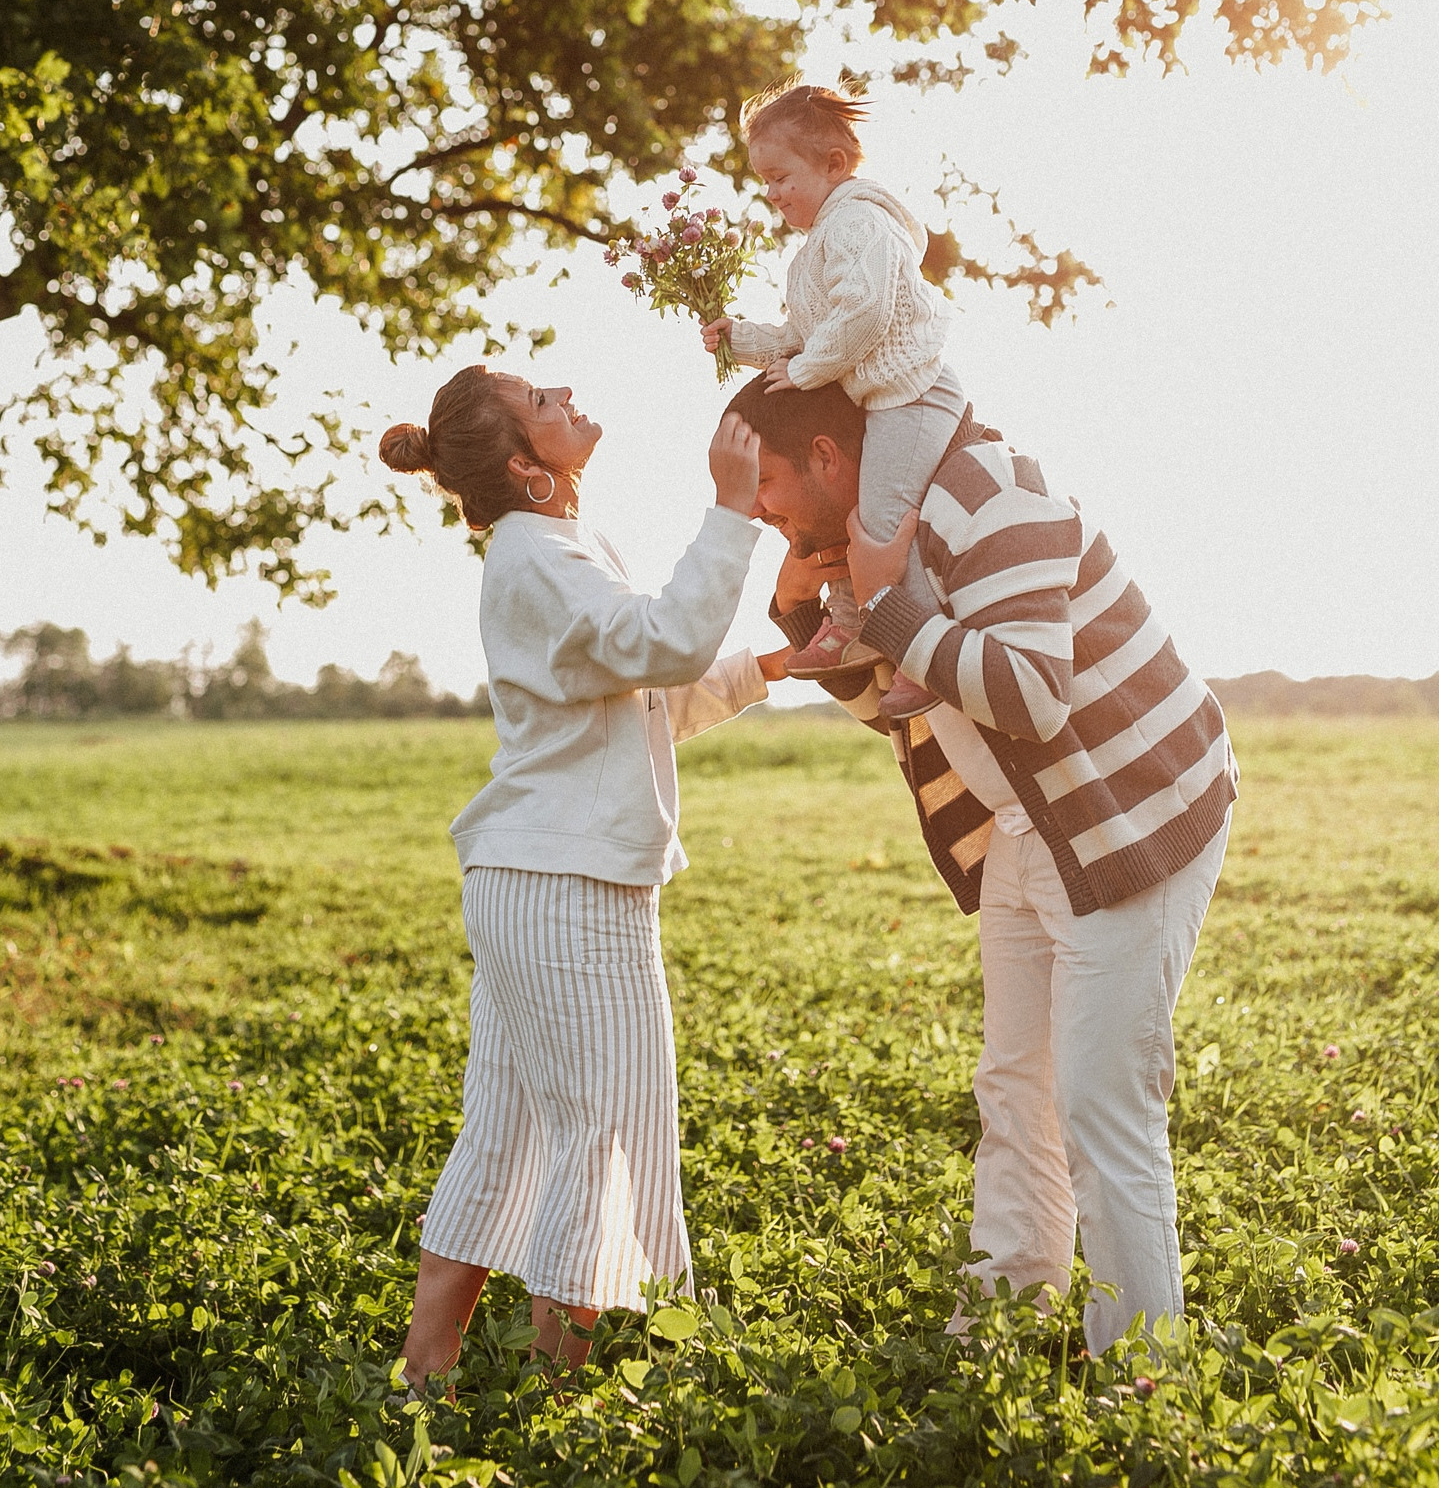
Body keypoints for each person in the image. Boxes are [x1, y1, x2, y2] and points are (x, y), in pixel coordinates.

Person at [728, 374, 1237, 1358]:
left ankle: (1140, 1372)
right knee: (1014, 1084)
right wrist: (809, 620)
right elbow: (900, 704)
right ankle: (1005, 1323)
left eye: (766, 484)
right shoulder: (874, 538)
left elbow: (1030, 695)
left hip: (1125, 810)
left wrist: (885, 606)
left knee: (1098, 1100)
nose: (755, 510)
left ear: (828, 458)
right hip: (1027, 821)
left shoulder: (988, 492)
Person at [379, 366, 789, 1383]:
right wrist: (731, 508)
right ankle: (557, 1403)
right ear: (526, 464)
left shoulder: (553, 547)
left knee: (510, 1129)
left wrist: (771, 669)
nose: (561, 390)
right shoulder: (536, 552)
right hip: (566, 888)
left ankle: (424, 1377)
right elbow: (663, 640)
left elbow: (646, 700)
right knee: (600, 1137)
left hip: (537, 876)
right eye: (538, 401)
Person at [701, 81, 961, 724]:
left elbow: (864, 312)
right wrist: (741, 341)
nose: (772, 193)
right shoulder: (815, 249)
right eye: (765, 181)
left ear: (835, 165)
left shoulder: (860, 223)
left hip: (913, 393)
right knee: (850, 513)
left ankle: (919, 652)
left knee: (882, 517)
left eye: (781, 176)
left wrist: (807, 370)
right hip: (880, 396)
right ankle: (849, 622)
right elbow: (803, 333)